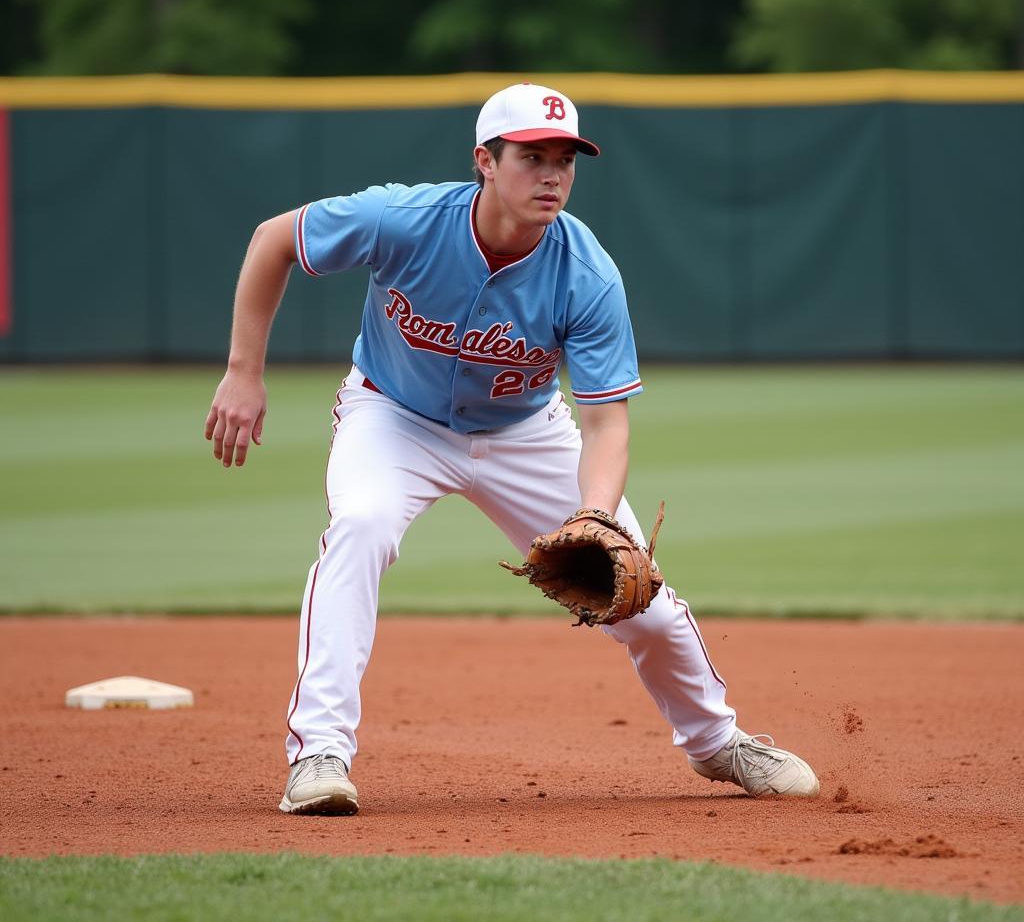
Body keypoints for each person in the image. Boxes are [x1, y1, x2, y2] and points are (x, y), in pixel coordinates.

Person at [204, 82, 820, 815]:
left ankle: (719, 743)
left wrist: (596, 516)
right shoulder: (404, 220)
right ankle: (320, 754)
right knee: (360, 527)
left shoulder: (586, 274)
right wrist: (244, 371)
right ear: (486, 162)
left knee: (643, 599)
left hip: (525, 430)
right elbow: (274, 239)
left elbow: (606, 424)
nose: (553, 173)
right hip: (394, 416)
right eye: (533, 156)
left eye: (566, 158)